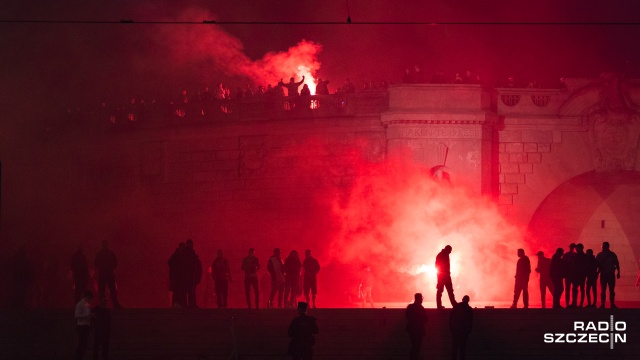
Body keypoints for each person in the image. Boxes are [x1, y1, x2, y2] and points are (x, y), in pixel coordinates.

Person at [95, 240, 122, 308]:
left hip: (102, 273)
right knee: (112, 289)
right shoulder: (110, 253)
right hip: (109, 273)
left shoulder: (99, 254)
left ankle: (103, 305)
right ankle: (115, 304)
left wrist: (102, 268)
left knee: (102, 290)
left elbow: (96, 263)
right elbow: (115, 263)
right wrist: (110, 268)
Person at [596, 241, 621, 308]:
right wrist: (618, 272)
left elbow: (617, 264)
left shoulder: (601, 255)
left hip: (608, 274)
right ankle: (605, 304)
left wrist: (618, 272)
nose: (602, 247)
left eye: (603, 246)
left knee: (609, 290)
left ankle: (608, 304)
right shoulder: (611, 254)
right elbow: (617, 264)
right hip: (606, 274)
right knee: (605, 290)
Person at [450, 295, 473, 360]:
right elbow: (470, 322)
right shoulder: (469, 309)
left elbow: (451, 317)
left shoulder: (457, 306)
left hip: (456, 330)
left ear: (462, 299)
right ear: (468, 300)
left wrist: (451, 328)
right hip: (464, 332)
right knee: (462, 349)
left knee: (455, 348)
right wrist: (468, 331)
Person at [405, 293, 428, 360]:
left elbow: (407, 316)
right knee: (417, 346)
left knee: (414, 346)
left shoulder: (410, 307)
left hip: (411, 330)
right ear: (419, 299)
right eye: (421, 298)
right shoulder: (421, 308)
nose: (422, 300)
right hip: (419, 330)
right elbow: (426, 319)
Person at [183, 239, 202, 308]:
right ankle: (191, 305)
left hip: (188, 274)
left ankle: (188, 304)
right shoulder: (190, 253)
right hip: (189, 274)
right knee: (191, 290)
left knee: (189, 290)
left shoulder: (185, 253)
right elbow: (195, 264)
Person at [75, 290, 93, 360]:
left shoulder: (87, 304)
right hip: (81, 326)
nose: (90, 300)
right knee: (81, 343)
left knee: (84, 344)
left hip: (86, 326)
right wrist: (87, 315)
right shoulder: (79, 304)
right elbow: (76, 315)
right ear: (86, 296)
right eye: (89, 298)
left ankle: (80, 357)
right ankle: (78, 357)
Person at [168, 242, 186, 307]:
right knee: (177, 290)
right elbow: (169, 262)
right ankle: (176, 303)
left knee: (179, 290)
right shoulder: (176, 255)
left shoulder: (181, 255)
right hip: (177, 276)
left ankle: (178, 303)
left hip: (180, 276)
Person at [562, 243, 577, 307]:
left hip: (569, 274)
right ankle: (572, 302)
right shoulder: (576, 255)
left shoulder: (566, 255)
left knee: (569, 289)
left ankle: (569, 303)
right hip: (572, 274)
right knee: (573, 289)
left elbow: (562, 264)